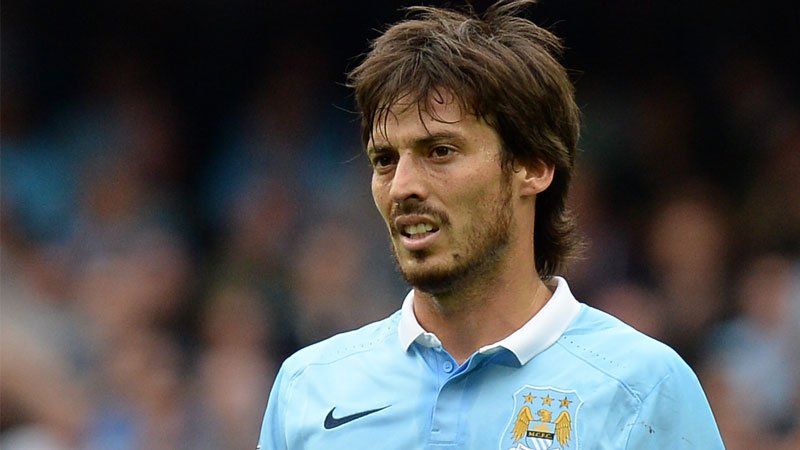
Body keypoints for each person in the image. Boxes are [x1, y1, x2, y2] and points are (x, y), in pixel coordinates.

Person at [257, 1, 725, 448]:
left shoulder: (643, 391)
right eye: (384, 160)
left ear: (534, 165)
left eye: (440, 151)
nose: (402, 187)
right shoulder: (307, 388)